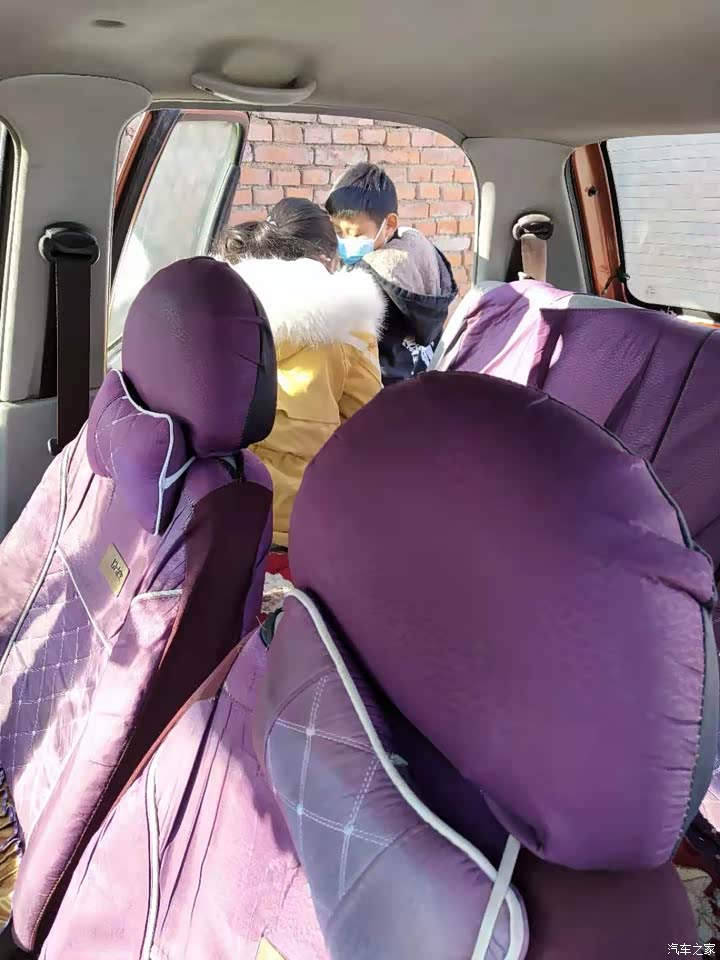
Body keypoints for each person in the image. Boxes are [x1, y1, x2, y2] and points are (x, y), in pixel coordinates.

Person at [219, 198, 385, 553]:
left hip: (221, 499)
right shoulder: (349, 323)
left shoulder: (223, 305)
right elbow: (372, 429)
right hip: (301, 517)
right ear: (326, 257)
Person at [326, 163, 458, 385]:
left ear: (389, 224)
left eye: (356, 234)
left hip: (381, 391)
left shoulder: (369, 279)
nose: (345, 242)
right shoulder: (421, 255)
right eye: (338, 231)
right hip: (420, 381)